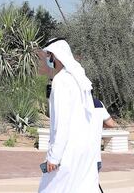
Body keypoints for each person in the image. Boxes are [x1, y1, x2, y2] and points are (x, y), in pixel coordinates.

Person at [39, 38, 99, 192]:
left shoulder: (61, 81)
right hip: (85, 152)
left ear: (55, 55)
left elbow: (61, 122)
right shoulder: (79, 79)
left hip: (67, 152)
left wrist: (54, 156)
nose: (48, 59)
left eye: (48, 55)